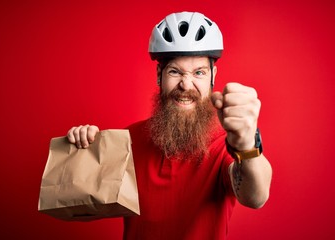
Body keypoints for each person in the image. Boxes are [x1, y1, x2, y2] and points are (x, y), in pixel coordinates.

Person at [66, 12, 272, 240]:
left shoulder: (224, 145)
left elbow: (255, 197)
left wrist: (246, 146)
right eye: (175, 71)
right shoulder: (128, 139)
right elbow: (81, 204)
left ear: (213, 76)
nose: (186, 84)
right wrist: (85, 150)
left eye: (199, 73)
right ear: (159, 75)